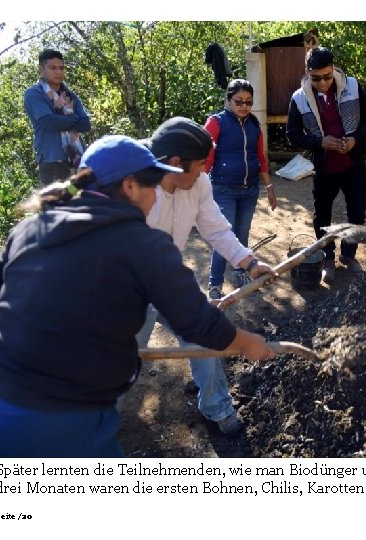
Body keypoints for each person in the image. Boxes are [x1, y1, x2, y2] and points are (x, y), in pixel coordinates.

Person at [0, 135, 275, 458]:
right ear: (129, 187)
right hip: (65, 417)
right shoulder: (142, 243)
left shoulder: (32, 228)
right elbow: (197, 322)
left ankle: (215, 406)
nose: (156, 198)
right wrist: (247, 343)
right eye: (150, 187)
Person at [138, 116, 276, 434]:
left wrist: (249, 262)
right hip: (130, 291)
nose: (203, 170)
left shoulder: (197, 183)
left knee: (204, 336)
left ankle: (216, 406)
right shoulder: (136, 189)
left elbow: (215, 228)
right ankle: (98, 417)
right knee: (118, 361)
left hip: (170, 281)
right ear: (175, 162)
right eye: (199, 164)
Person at [286, 46, 366, 283]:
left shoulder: (353, 86)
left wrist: (356, 139)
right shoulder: (299, 98)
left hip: (353, 163)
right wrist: (320, 143)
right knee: (322, 216)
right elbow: (292, 135)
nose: (323, 82)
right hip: (324, 168)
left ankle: (348, 255)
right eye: (316, 78)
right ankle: (327, 257)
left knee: (357, 211)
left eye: (327, 76)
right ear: (307, 72)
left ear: (333, 69)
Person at [204, 79, 277, 296]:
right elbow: (206, 158)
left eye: (248, 102)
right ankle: (215, 285)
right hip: (223, 190)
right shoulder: (215, 123)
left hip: (250, 190)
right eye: (238, 101)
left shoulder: (255, 125)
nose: (244, 106)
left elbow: (261, 159)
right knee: (223, 236)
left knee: (242, 234)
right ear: (228, 101)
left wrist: (270, 187)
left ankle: (240, 271)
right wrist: (198, 189)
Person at [24, 48, 91, 185]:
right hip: (52, 159)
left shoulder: (70, 95)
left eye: (61, 68)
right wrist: (75, 119)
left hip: (77, 157)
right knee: (56, 204)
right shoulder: (34, 93)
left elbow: (86, 124)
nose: (59, 72)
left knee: (80, 202)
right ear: (41, 69)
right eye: (53, 68)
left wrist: (64, 121)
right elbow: (49, 121)